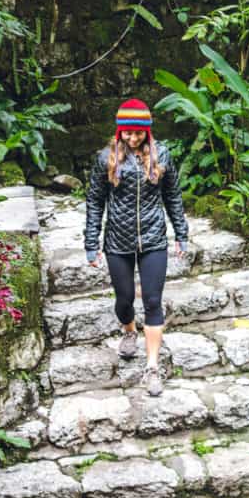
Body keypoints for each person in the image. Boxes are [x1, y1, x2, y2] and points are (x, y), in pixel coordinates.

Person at [84, 99, 189, 397]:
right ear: (119, 132)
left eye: (138, 133)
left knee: (153, 301)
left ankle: (152, 368)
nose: (132, 139)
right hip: (118, 241)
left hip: (154, 239)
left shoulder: (162, 155)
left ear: (147, 131)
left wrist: (181, 233)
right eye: (127, 133)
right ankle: (129, 331)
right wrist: (92, 242)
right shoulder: (107, 158)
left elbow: (173, 196)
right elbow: (94, 201)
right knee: (125, 299)